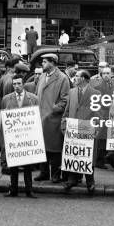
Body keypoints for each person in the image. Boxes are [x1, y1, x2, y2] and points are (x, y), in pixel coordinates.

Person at [1, 74, 39, 198]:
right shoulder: (6, 99)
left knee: (28, 166)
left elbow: (37, 118)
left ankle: (29, 189)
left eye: (19, 84)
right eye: (14, 84)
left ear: (23, 84)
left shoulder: (33, 98)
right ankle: (13, 189)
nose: (16, 86)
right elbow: (3, 118)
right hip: (13, 137)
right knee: (13, 166)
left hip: (27, 137)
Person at [34, 54, 70, 183]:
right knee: (42, 147)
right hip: (40, 117)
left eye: (44, 62)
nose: (42, 64)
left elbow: (65, 99)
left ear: (52, 63)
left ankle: (55, 174)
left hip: (53, 118)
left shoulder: (62, 78)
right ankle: (44, 173)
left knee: (55, 149)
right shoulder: (43, 76)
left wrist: (55, 109)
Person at [62, 70, 96, 195]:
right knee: (73, 154)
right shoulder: (71, 92)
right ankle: (72, 180)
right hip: (73, 127)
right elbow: (67, 110)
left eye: (77, 76)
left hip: (88, 128)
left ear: (84, 78)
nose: (74, 78)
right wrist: (63, 124)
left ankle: (90, 182)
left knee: (87, 156)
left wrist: (97, 128)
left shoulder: (95, 93)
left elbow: (99, 113)